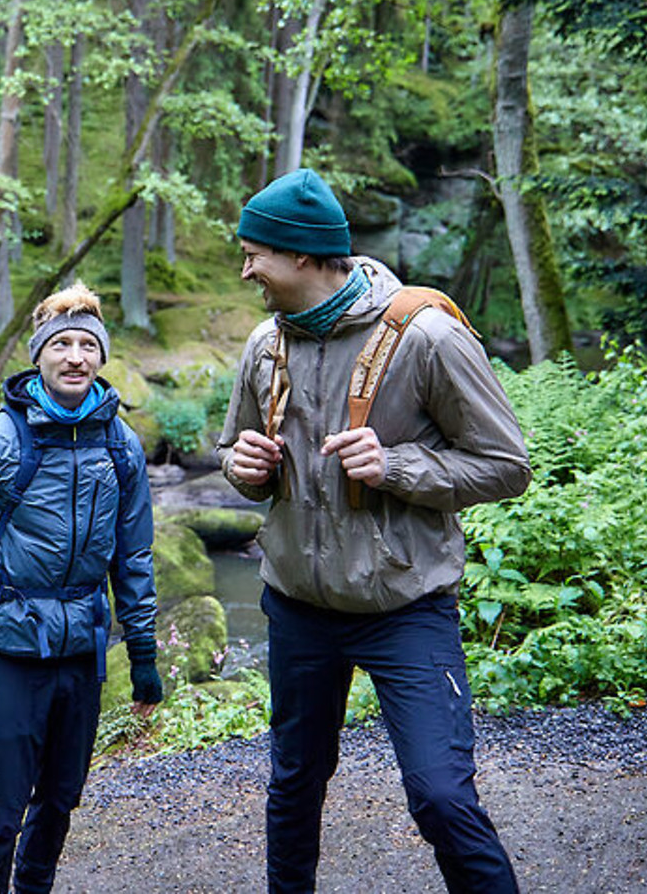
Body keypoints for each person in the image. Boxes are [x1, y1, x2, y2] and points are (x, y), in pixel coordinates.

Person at [217, 169, 532, 893]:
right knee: (293, 784)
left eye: (253, 253)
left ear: (301, 256)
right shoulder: (266, 344)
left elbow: (507, 464)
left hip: (406, 608)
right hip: (297, 605)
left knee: (442, 796)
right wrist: (246, 465)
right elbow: (235, 455)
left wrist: (396, 465)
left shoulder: (427, 336)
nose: (244, 270)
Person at [0, 282, 162, 894]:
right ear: (39, 356)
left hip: (81, 653)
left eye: (87, 346)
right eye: (62, 345)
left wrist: (145, 654)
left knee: (60, 801)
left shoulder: (120, 444)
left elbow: (133, 556)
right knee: (2, 809)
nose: (75, 357)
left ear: (101, 357)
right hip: (10, 653)